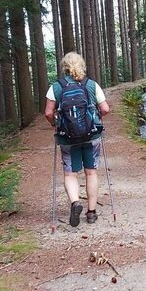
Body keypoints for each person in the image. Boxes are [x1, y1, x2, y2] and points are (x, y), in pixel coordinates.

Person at [44, 52, 110, 226]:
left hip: (68, 137)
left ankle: (75, 202)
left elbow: (48, 112)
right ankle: (91, 212)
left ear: (64, 68)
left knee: (70, 174)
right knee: (91, 172)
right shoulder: (91, 85)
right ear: (82, 65)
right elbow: (105, 109)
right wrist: (96, 116)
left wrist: (55, 124)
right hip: (92, 134)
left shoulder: (56, 87)